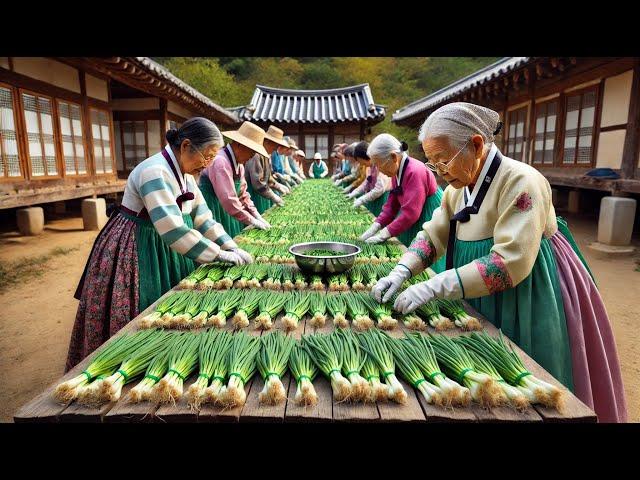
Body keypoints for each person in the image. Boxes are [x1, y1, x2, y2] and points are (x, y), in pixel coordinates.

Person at [372, 102, 627, 423]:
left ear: (477, 145)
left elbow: (509, 263)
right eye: (433, 162)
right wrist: (403, 270)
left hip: (528, 286)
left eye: (444, 159)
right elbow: (435, 233)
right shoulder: (457, 188)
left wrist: (433, 286)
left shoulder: (521, 181)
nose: (441, 170)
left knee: (527, 371)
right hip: (473, 282)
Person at [67, 118, 251, 370]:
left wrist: (230, 246)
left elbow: (203, 217)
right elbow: (173, 229)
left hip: (167, 244)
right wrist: (218, 254)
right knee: (140, 309)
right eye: (207, 157)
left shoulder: (187, 177)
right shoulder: (154, 171)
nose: (208, 164)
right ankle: (125, 365)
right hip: (137, 245)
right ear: (186, 146)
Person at [360, 134, 445, 268]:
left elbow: (411, 213)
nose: (378, 169)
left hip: (428, 218)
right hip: (415, 218)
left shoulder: (414, 171)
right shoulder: (396, 172)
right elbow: (391, 205)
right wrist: (377, 225)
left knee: (427, 260)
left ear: (393, 157)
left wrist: (383, 234)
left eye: (378, 164)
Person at [199, 121, 272, 238]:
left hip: (225, 209)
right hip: (211, 208)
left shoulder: (239, 165)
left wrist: (256, 215)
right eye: (252, 151)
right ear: (239, 145)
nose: (252, 156)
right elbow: (228, 200)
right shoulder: (220, 162)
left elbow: (243, 195)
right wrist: (251, 220)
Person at [245, 125, 288, 213]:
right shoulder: (256, 155)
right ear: (267, 141)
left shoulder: (265, 155)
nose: (275, 149)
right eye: (275, 146)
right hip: (253, 194)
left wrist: (277, 185)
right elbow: (258, 183)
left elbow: (267, 177)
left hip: (262, 193)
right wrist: (273, 196)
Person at [346, 141, 392, 216]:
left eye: (361, 161)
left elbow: (379, 189)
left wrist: (362, 199)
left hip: (383, 198)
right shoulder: (369, 167)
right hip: (373, 197)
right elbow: (367, 182)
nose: (361, 164)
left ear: (367, 157)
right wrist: (355, 192)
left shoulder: (380, 165)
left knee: (380, 219)